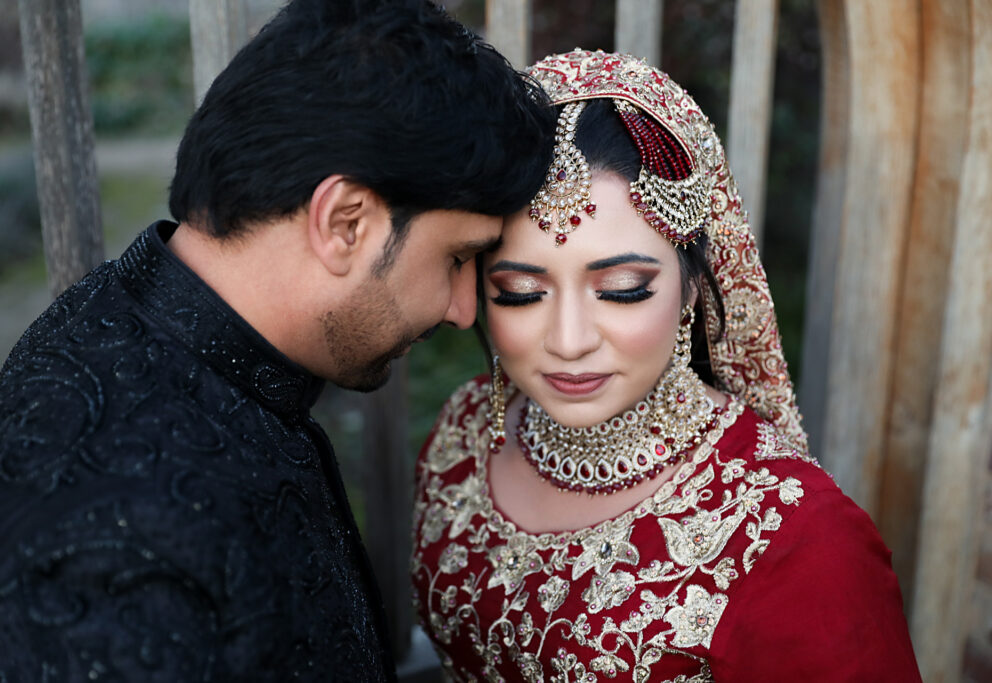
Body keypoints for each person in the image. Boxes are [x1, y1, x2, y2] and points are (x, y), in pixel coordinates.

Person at [0, 1, 553, 680]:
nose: (465, 308)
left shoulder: (126, 317)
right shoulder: (119, 554)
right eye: (457, 257)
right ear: (345, 221)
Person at [410, 50, 922, 681]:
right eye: (521, 292)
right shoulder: (463, 433)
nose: (569, 341)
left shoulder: (799, 543)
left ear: (691, 288)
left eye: (622, 288)